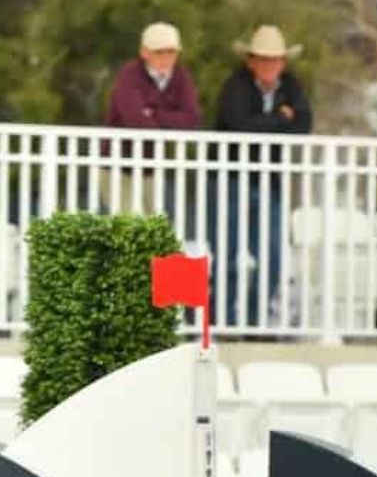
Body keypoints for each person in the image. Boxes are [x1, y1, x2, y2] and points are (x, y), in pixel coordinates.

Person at [213, 26, 314, 327]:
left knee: (272, 256)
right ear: (251, 61)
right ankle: (223, 320)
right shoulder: (235, 86)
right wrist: (280, 118)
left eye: (275, 59)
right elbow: (239, 126)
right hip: (231, 179)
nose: (270, 65)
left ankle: (255, 320)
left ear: (283, 62)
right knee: (228, 254)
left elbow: (303, 124)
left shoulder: (291, 85)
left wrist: (265, 124)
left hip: (269, 182)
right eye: (264, 59)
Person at [105, 21, 201, 130]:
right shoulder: (130, 74)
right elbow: (135, 119)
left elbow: (192, 119)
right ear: (144, 52)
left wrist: (153, 113)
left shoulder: (181, 75)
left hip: (161, 142)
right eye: (159, 52)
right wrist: (170, 119)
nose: (165, 58)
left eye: (171, 52)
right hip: (121, 141)